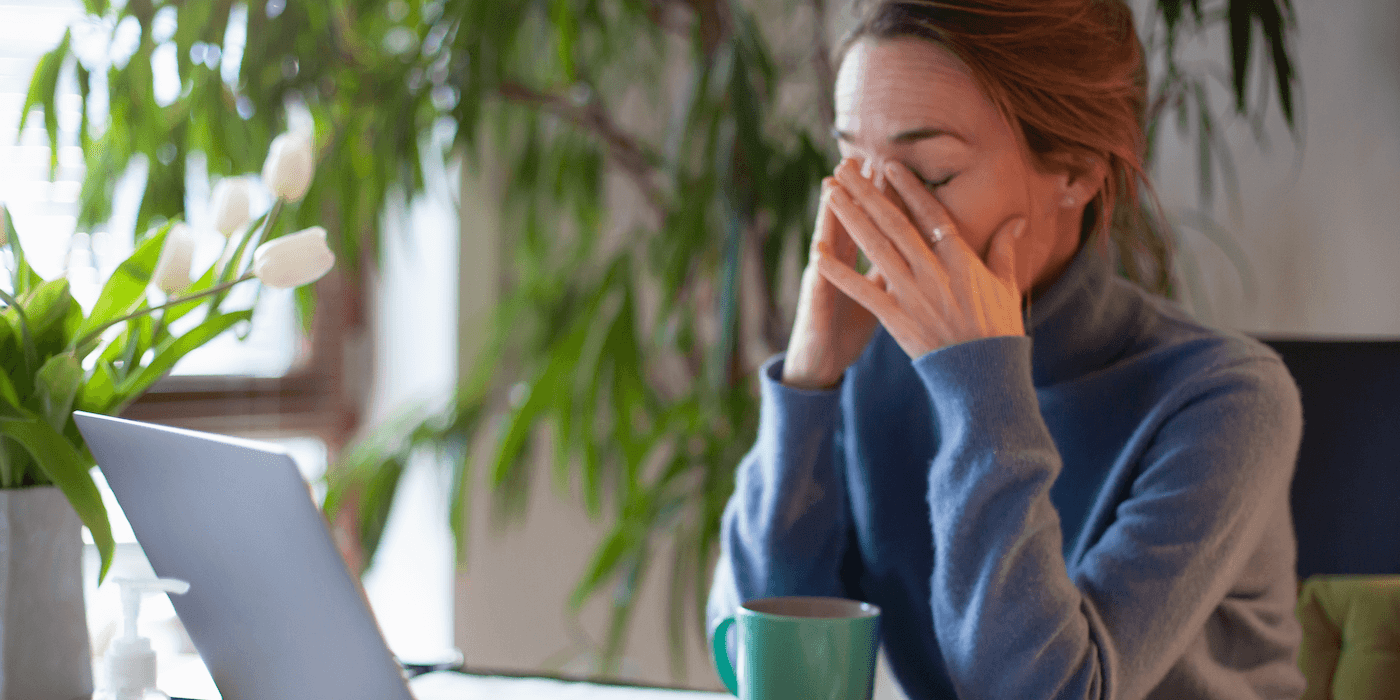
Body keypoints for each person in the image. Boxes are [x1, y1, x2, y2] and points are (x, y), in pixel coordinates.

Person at [706, 1, 1306, 699]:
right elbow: (761, 664)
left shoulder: (1228, 402)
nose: (874, 220)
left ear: (1077, 172)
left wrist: (980, 388)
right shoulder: (874, 365)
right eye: (851, 166)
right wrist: (809, 382)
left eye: (928, 176)